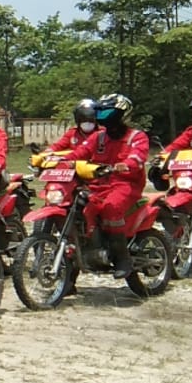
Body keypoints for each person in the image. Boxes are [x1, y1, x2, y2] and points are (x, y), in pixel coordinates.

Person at [65, 94, 148, 279]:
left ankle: (122, 259)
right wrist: (60, 160)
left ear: (123, 114)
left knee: (111, 209)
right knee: (77, 208)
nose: (103, 116)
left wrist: (127, 164)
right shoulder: (98, 137)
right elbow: (80, 152)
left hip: (126, 184)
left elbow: (138, 156)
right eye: (100, 111)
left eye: (108, 112)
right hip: (98, 184)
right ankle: (72, 274)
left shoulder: (136, 136)